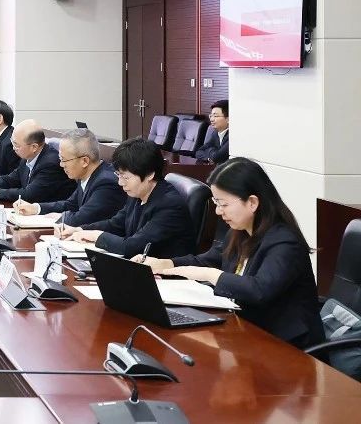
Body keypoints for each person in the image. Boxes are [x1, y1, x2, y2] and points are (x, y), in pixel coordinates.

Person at [135, 158, 324, 348]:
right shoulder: (240, 232)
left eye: (223, 204)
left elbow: (259, 290)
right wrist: (165, 264)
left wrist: (211, 275)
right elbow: (207, 261)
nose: (218, 211)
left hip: (286, 345)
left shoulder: (285, 242)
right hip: (247, 331)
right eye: (216, 203)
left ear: (252, 202)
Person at [59, 137, 193, 258]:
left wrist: (96, 236)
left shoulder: (170, 205)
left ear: (150, 175)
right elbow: (116, 224)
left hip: (164, 273)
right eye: (119, 175)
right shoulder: (137, 192)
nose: (120, 182)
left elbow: (131, 246)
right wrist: (81, 230)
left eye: (126, 177)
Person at [13, 129, 125, 226]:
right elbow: (70, 204)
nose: (61, 165)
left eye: (64, 160)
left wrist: (60, 217)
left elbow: (82, 218)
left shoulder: (106, 183)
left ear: (84, 161)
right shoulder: (86, 175)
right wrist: (36, 208)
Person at [0, 119, 73, 204]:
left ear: (34, 147)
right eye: (12, 142)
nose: (13, 148)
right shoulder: (27, 156)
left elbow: (29, 195)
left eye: (16, 145)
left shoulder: (51, 163)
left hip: (50, 215)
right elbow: (11, 179)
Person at [194, 99, 230, 164]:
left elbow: (217, 157)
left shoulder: (232, 136)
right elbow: (198, 152)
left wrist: (210, 150)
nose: (211, 119)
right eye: (211, 116)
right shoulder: (215, 133)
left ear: (228, 119)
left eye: (215, 116)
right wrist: (210, 158)